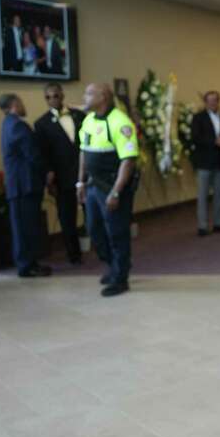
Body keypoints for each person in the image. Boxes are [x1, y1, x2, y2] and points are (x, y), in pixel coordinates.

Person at [78, 83, 138, 297]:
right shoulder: (88, 120)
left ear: (103, 97)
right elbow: (83, 152)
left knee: (117, 232)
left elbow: (128, 161)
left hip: (112, 186)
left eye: (89, 93)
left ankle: (120, 278)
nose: (84, 96)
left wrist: (116, 191)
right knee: (94, 230)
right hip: (93, 185)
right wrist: (80, 182)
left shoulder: (120, 122)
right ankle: (114, 266)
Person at [0, 94, 52, 278]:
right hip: (25, 184)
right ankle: (27, 265)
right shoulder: (18, 126)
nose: (23, 106)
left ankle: (29, 263)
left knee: (24, 226)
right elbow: (32, 153)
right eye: (21, 102)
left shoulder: (7, 124)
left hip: (19, 185)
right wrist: (47, 171)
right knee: (26, 227)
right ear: (14, 104)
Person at [34, 83, 86, 264]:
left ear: (62, 96)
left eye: (55, 96)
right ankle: (74, 255)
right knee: (67, 218)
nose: (52, 100)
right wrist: (49, 178)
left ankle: (104, 248)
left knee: (93, 214)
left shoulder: (79, 115)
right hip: (62, 177)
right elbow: (43, 153)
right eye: (47, 97)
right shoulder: (41, 124)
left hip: (84, 173)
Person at [187, 90, 220, 236]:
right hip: (204, 162)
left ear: (219, 102)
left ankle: (218, 223)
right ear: (205, 103)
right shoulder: (198, 118)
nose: (213, 103)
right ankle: (202, 225)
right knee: (203, 195)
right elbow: (195, 137)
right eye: (210, 100)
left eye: (215, 100)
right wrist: (215, 141)